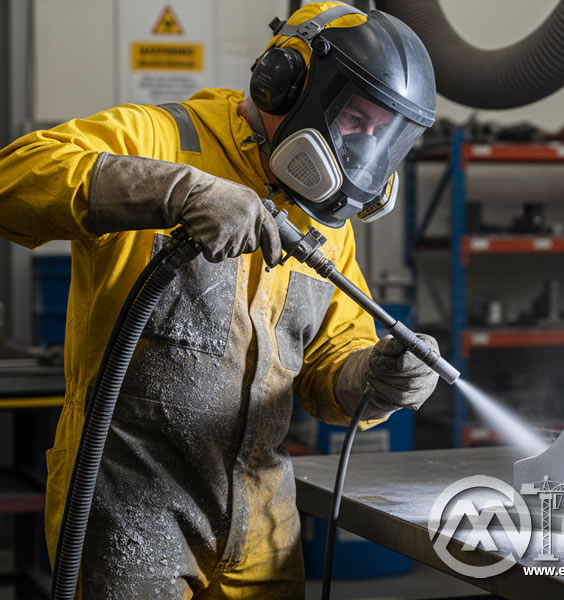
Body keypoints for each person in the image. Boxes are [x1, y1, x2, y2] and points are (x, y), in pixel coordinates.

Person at [0, 2, 438, 598]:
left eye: (381, 133)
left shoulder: (328, 223)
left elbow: (326, 375)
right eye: (355, 119)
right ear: (285, 83)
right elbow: (13, 182)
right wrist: (173, 190)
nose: (364, 148)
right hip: (128, 507)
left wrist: (379, 377)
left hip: (262, 522)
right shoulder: (158, 137)